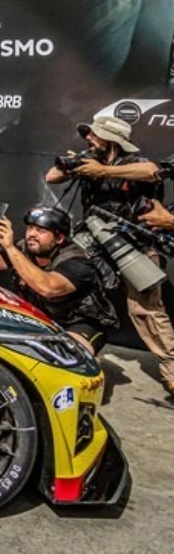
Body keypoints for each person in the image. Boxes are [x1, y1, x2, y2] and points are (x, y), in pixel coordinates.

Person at [46, 114, 174, 399]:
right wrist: (76, 167)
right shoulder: (89, 158)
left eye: (94, 135)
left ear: (113, 140)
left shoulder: (134, 163)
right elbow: (51, 177)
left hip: (135, 245)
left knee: (145, 311)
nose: (89, 139)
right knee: (65, 281)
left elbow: (152, 172)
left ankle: (171, 372)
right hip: (93, 238)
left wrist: (101, 172)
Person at [0, 205, 118, 354]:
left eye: (41, 231)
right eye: (30, 228)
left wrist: (10, 248)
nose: (32, 234)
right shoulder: (23, 249)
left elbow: (48, 288)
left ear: (59, 238)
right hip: (39, 318)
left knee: (68, 354)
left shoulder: (77, 260)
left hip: (77, 322)